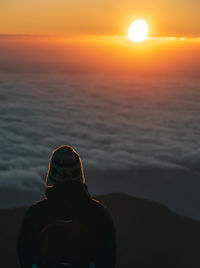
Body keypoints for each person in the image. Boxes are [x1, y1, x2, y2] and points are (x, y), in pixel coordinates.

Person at [18, 145, 116, 268]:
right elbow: (108, 260)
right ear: (79, 173)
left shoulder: (34, 215)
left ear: (52, 174)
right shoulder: (100, 215)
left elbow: (25, 259)